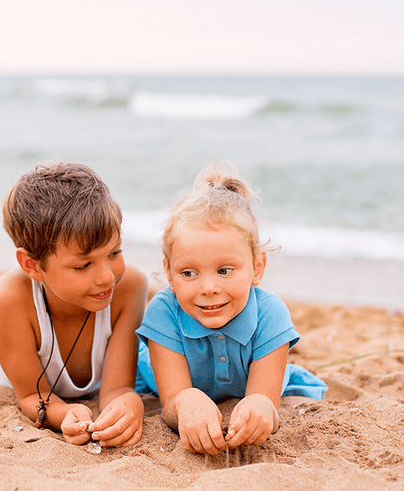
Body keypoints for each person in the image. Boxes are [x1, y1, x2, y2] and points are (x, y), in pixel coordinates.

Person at [135, 160, 327, 456]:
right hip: (160, 377)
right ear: (169, 272)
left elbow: (264, 398)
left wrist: (259, 406)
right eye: (188, 273)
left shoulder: (270, 314)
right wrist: (186, 401)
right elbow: (171, 400)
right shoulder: (163, 311)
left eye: (225, 270)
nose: (208, 287)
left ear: (257, 266)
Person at [0, 161, 148, 447]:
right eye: (83, 265)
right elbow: (29, 396)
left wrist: (129, 404)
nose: (107, 277)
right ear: (32, 265)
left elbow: (118, 388)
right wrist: (63, 413)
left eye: (115, 252)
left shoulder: (130, 287)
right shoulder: (8, 298)